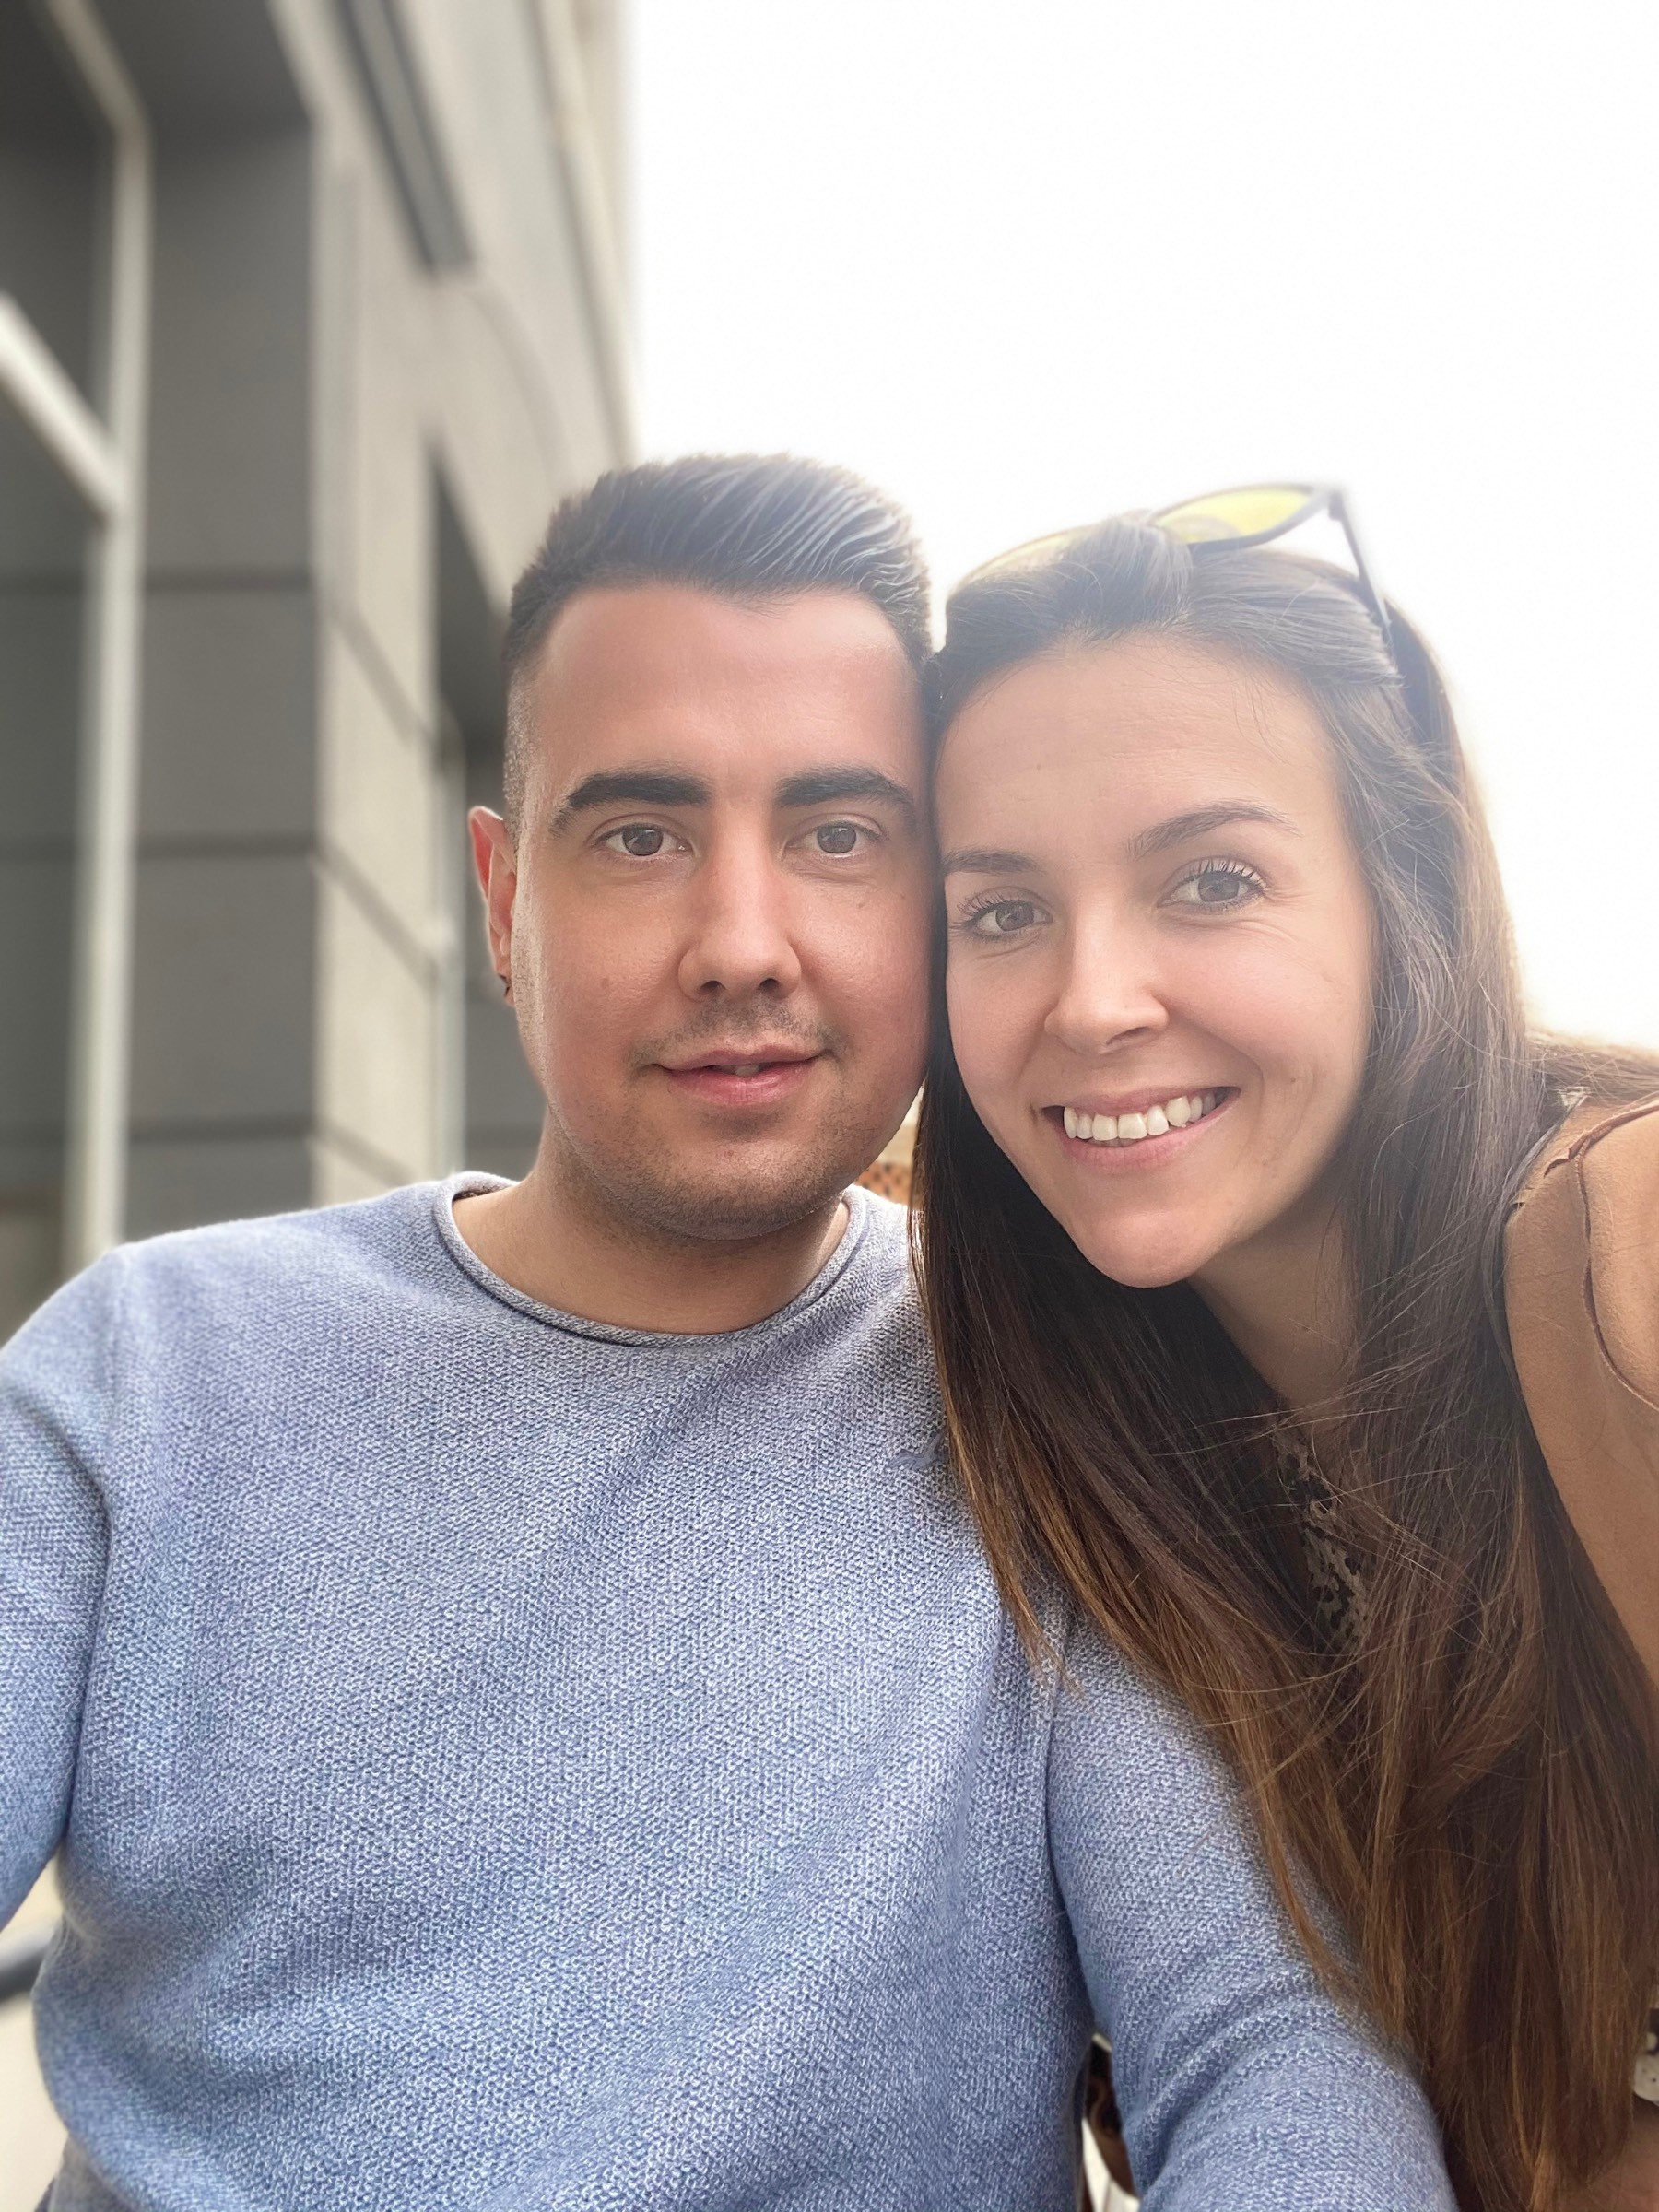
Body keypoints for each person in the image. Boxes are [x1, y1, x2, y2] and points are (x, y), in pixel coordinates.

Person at [0, 456, 1453, 2211]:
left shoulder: (1051, 1394)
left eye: (839, 837)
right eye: (641, 835)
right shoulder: (148, 1376)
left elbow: (1272, 2045)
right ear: (501, 901)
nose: (742, 945)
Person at [916, 487, 1659, 2212]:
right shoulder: (1074, 1429)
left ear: (1408, 892)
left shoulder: (1626, 1251)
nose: (1093, 999)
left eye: (1212, 881)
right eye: (1003, 912)